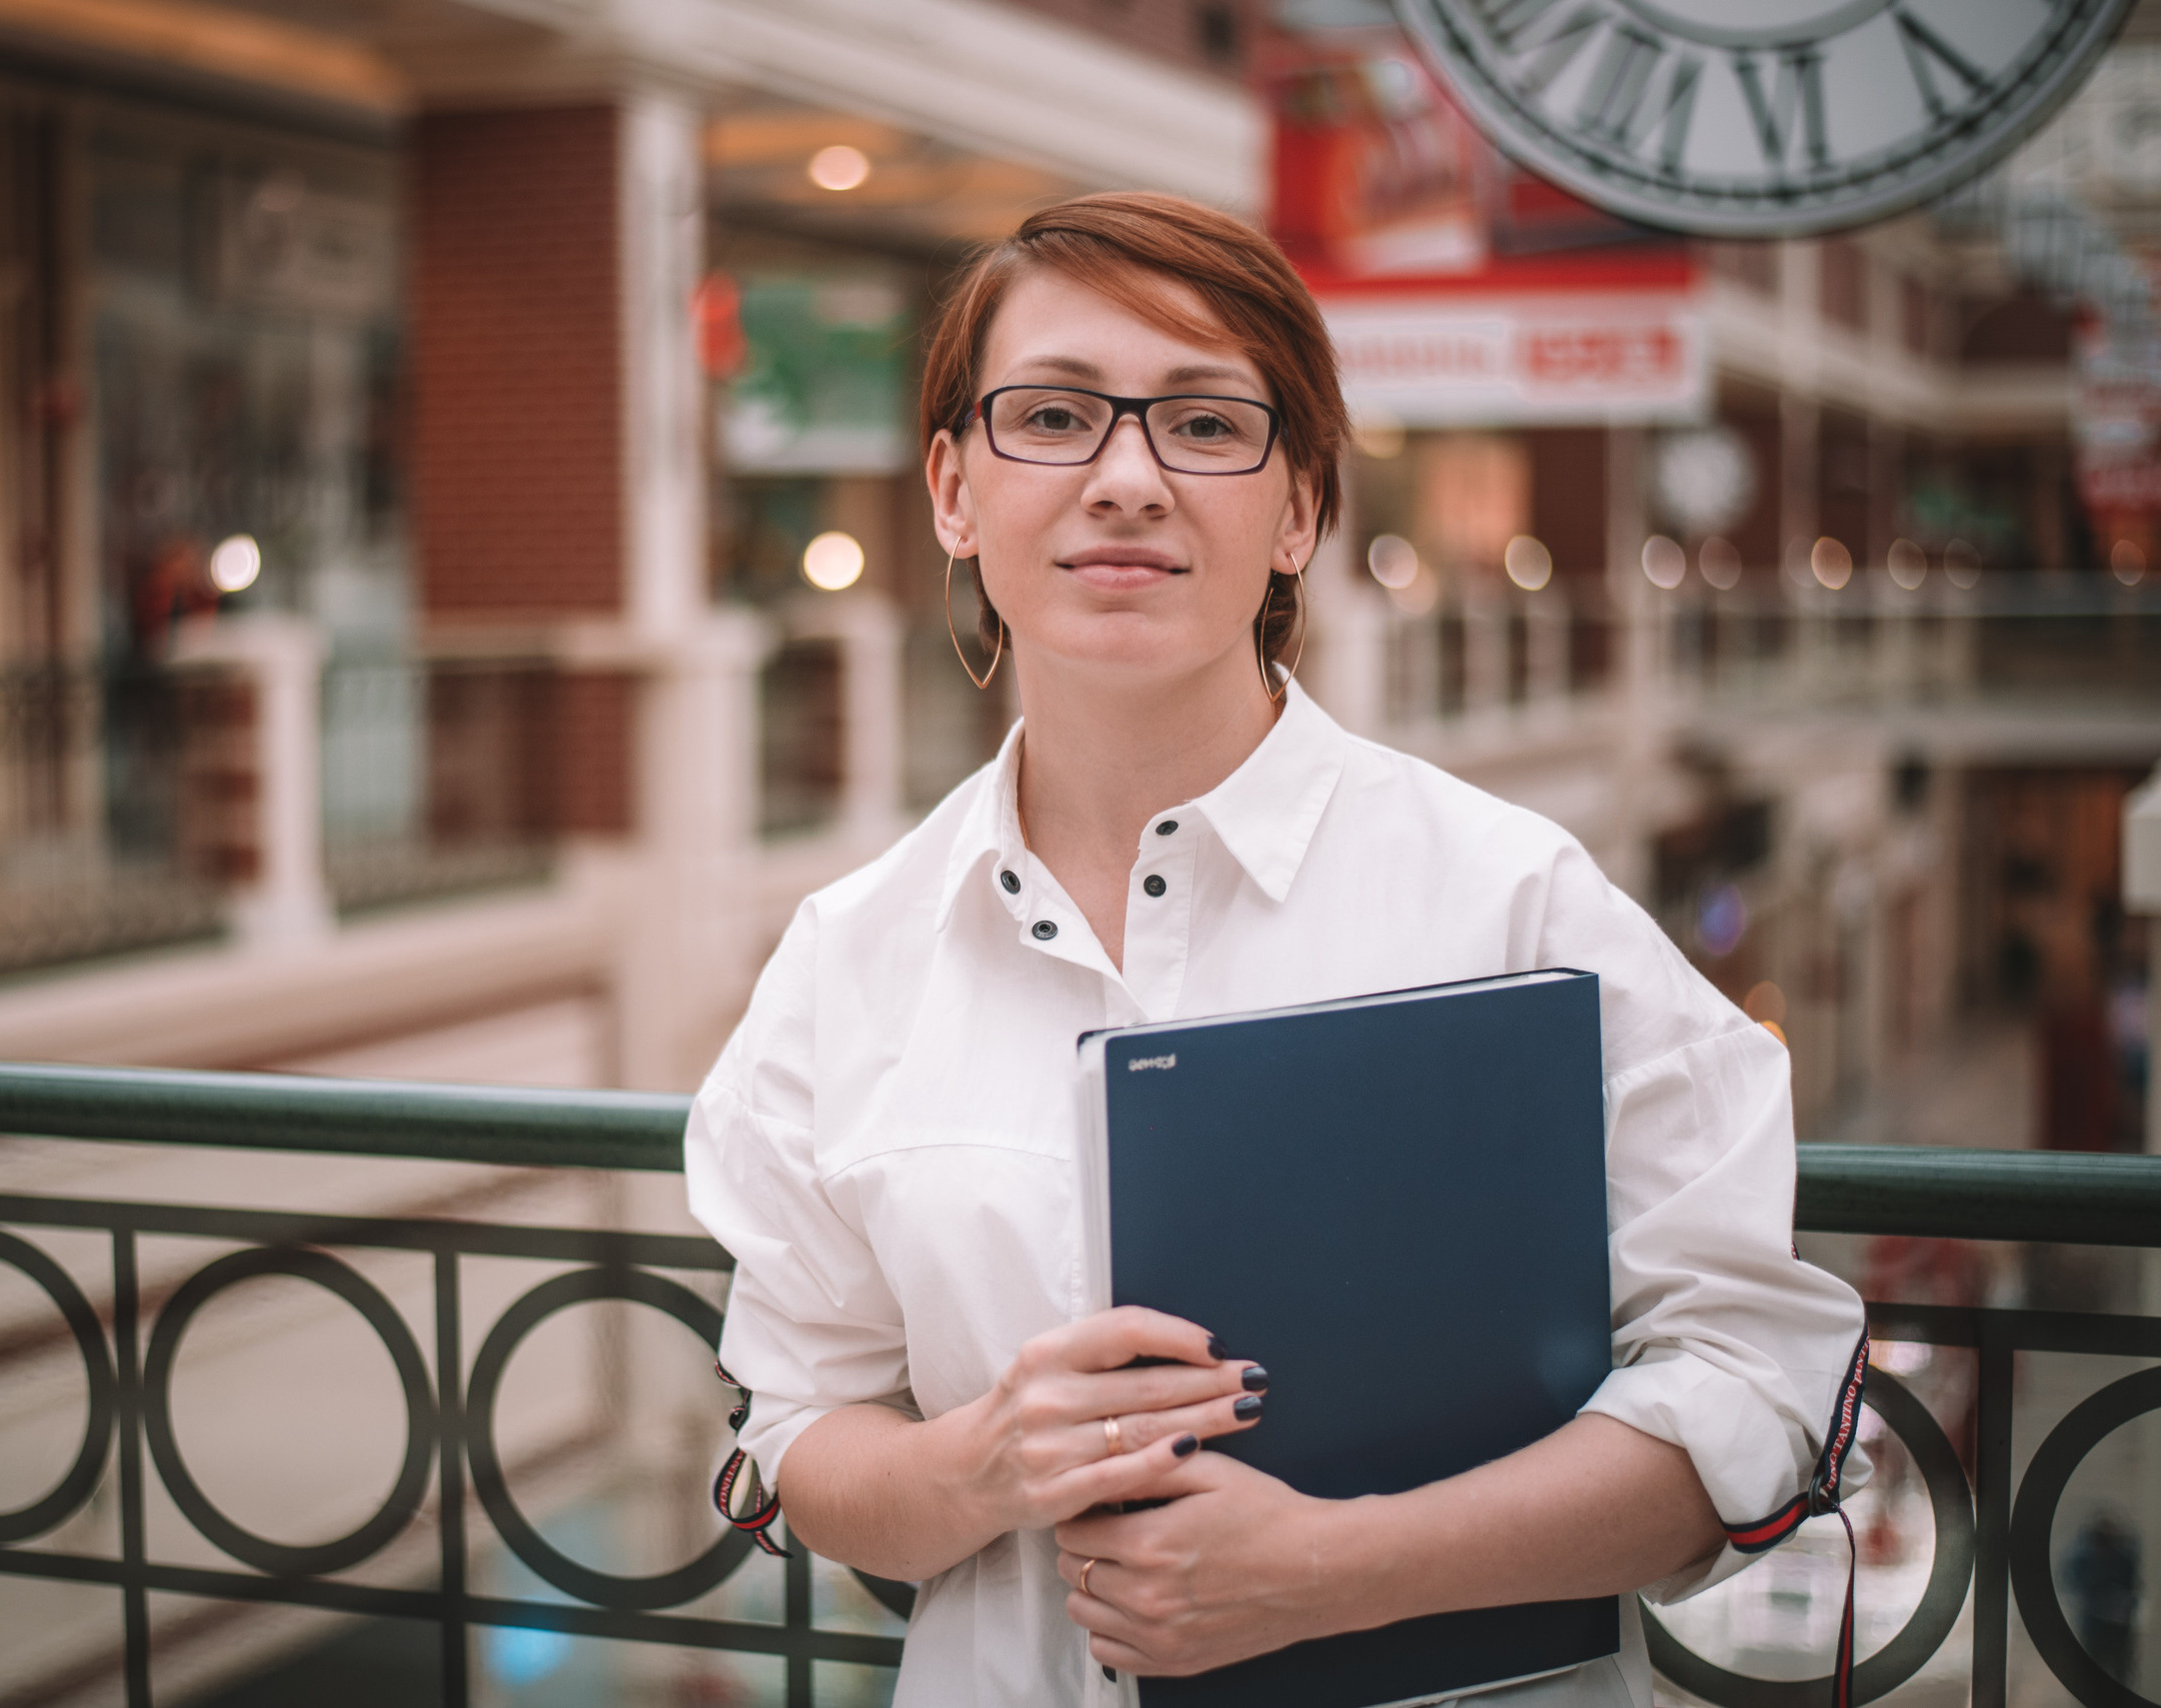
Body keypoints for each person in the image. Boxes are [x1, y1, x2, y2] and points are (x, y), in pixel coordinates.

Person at [684, 191, 1866, 1707]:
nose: (1125, 478)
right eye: (1052, 415)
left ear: (1300, 506)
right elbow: (800, 1427)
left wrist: (1336, 1567)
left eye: (1203, 423)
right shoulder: (850, 956)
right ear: (953, 490)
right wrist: (980, 1460)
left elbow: (1752, 1380)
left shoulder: (1510, 903)